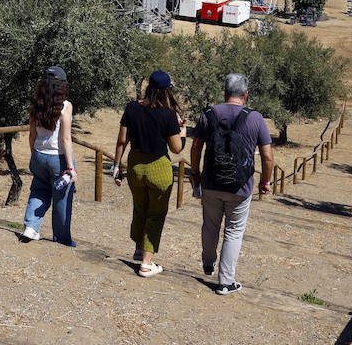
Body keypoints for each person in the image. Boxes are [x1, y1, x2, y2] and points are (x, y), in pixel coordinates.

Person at [190, 72, 274, 295]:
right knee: (234, 232)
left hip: (210, 182)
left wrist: (195, 173)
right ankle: (225, 282)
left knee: (210, 225)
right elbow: (267, 156)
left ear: (224, 92)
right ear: (245, 95)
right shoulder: (256, 118)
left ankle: (208, 264)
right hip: (240, 187)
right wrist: (265, 181)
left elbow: (196, 146)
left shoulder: (208, 114)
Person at [112, 70, 185, 277]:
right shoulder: (168, 114)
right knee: (156, 214)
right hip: (158, 167)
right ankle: (146, 263)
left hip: (135, 165)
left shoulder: (132, 107)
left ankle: (138, 248)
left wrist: (116, 166)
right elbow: (176, 148)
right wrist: (183, 132)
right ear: (166, 91)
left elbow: (121, 141)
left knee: (140, 206)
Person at [21, 66, 76, 246]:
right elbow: (66, 138)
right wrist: (70, 167)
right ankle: (61, 240)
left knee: (38, 191)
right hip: (57, 157)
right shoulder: (65, 106)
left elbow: (32, 135)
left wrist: (34, 155)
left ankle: (31, 227)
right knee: (61, 199)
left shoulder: (36, 104)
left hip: (38, 154)